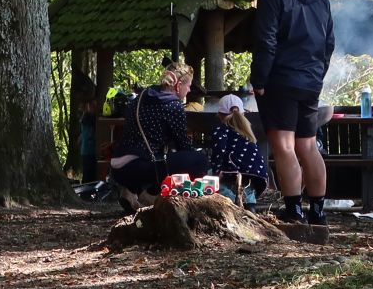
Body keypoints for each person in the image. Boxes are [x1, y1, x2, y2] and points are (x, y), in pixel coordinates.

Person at [251, 0, 335, 225]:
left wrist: (259, 78)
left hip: (281, 80)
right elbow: (329, 43)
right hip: (311, 82)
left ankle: (294, 211)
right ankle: (319, 212)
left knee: (284, 146)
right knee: (308, 146)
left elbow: (266, 40)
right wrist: (317, 75)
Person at [110, 61, 210, 212]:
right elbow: (183, 145)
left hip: (117, 166)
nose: (189, 90)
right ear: (178, 85)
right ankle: (151, 194)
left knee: (154, 156)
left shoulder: (141, 96)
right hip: (140, 166)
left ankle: (131, 190)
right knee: (199, 161)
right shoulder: (173, 106)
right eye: (188, 85)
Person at [210, 94, 269, 208]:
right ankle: (250, 204)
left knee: (209, 175)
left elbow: (219, 152)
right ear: (243, 114)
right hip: (255, 176)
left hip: (231, 172)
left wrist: (216, 172)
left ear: (220, 115)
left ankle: (228, 199)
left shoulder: (220, 129)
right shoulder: (248, 133)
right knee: (247, 185)